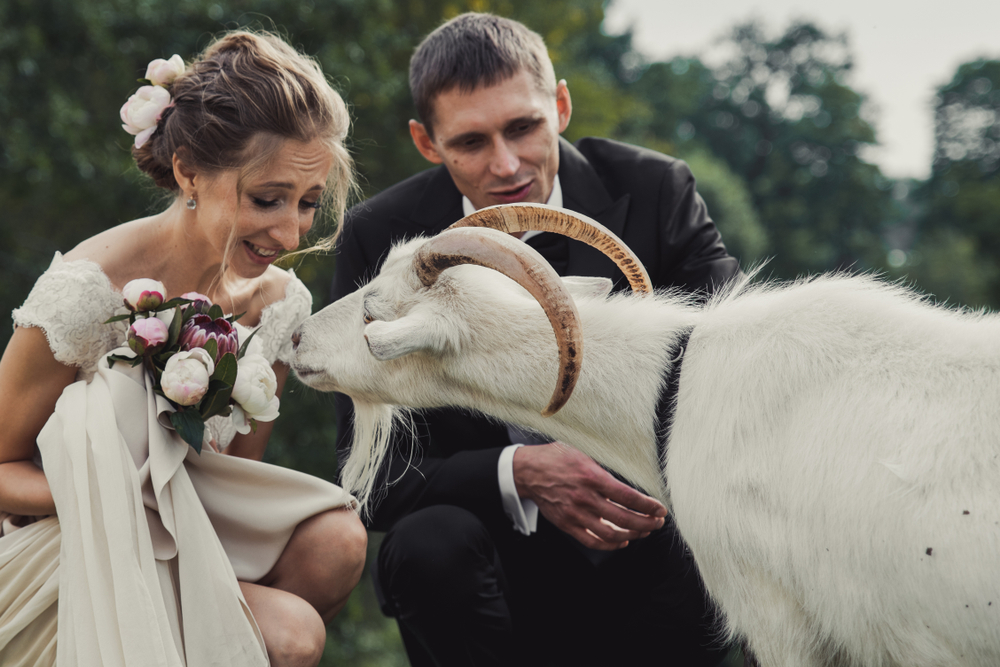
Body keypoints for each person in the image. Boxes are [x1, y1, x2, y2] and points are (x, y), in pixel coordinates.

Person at [330, 12, 741, 667]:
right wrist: (517, 472)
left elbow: (738, 374)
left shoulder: (656, 192)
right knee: (424, 543)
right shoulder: (379, 237)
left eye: (524, 127)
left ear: (561, 105)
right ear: (426, 142)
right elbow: (371, 475)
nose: (506, 163)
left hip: (657, 549)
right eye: (470, 141)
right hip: (494, 572)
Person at [0, 31, 367, 667]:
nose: (289, 232)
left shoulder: (278, 302)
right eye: (266, 199)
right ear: (188, 170)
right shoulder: (87, 290)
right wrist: (116, 490)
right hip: (69, 540)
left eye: (308, 204)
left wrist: (172, 507)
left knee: (338, 539)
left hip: (186, 531)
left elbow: (235, 479)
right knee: (292, 637)